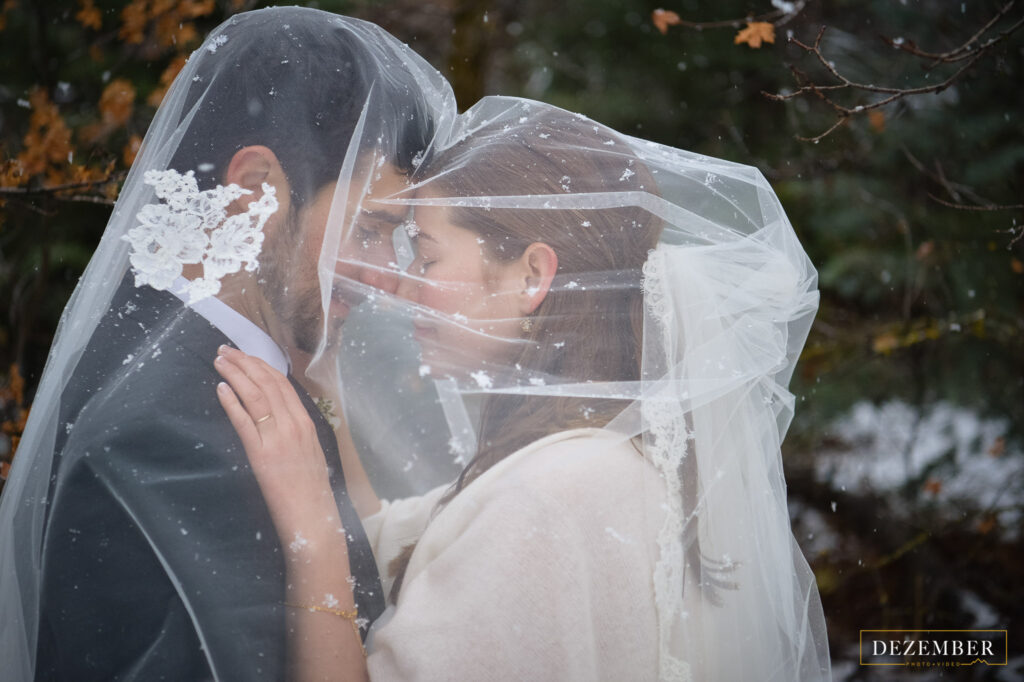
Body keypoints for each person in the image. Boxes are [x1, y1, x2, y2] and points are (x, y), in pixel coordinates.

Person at [214, 99, 833, 680]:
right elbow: (383, 543)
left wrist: (310, 534)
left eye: (427, 259)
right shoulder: (595, 458)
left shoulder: (553, 493)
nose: (397, 286)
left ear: (533, 274)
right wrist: (322, 386)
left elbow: (352, 556)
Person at [0, 8, 455, 681]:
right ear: (254, 194)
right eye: (367, 228)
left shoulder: (181, 364)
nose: (388, 274)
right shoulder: (171, 434)